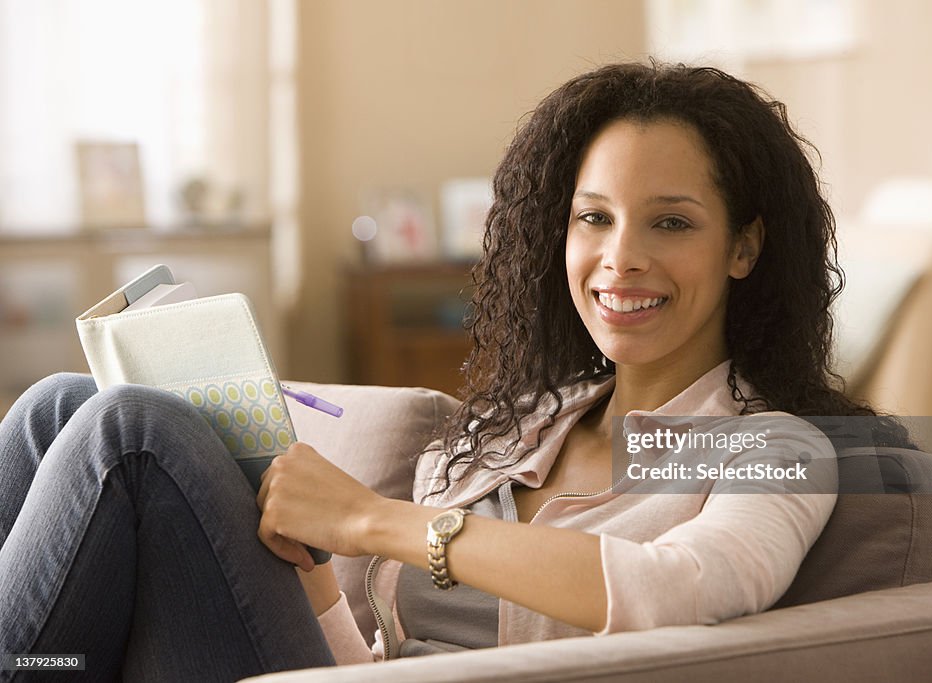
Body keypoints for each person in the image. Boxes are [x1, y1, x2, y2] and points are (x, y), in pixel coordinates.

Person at [1, 60, 879, 679]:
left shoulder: (769, 447)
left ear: (746, 247)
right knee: (61, 405)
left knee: (132, 429)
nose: (620, 259)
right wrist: (310, 563)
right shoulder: (516, 430)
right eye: (594, 219)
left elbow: (677, 589)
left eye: (672, 223)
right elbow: (375, 663)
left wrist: (376, 520)